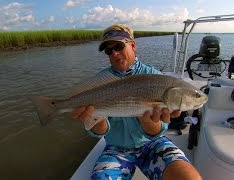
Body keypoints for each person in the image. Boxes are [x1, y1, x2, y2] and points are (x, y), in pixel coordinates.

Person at [72, 24, 202, 180]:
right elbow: (99, 132)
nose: (115, 53)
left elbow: (158, 131)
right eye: (109, 50)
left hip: (152, 144)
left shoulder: (156, 77)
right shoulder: (101, 84)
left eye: (119, 46)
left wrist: (149, 124)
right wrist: (96, 119)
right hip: (116, 149)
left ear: (132, 45)